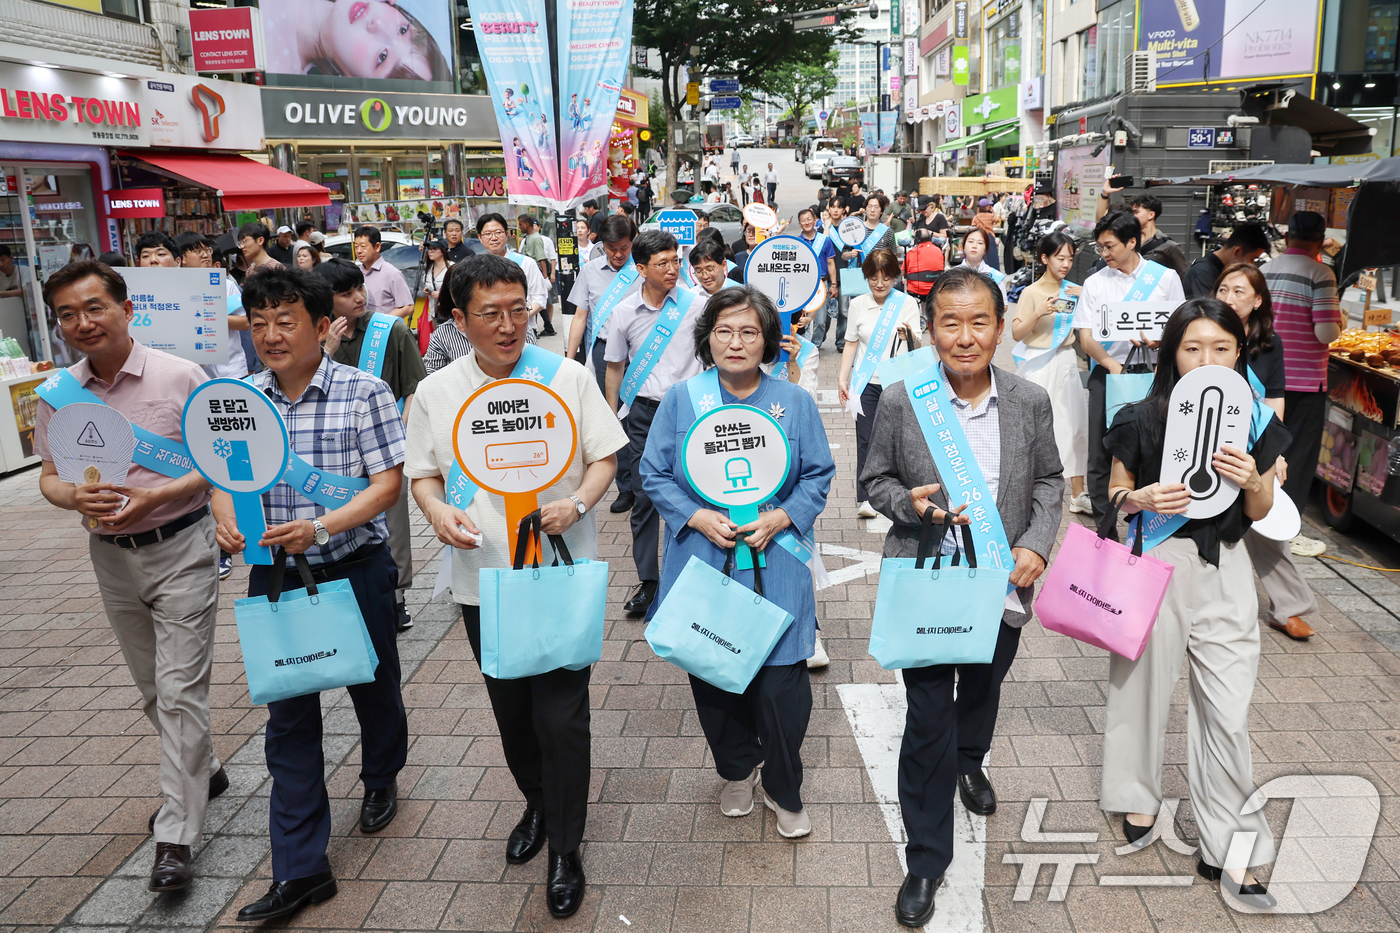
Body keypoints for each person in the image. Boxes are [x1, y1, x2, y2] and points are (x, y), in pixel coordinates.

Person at [405, 254, 626, 920]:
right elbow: (423, 475)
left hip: (556, 571)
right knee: (512, 714)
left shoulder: (566, 375)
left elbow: (604, 457)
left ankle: (565, 844)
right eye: (490, 314)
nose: (509, 326)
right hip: (485, 579)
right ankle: (536, 796)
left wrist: (581, 503)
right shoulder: (437, 392)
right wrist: (438, 512)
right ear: (458, 319)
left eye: (518, 309)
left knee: (562, 714)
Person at [861, 266, 1063, 928]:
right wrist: (908, 505)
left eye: (980, 322)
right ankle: (925, 858)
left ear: (1001, 328)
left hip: (1001, 583)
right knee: (926, 717)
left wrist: (1036, 543)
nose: (966, 336)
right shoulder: (900, 399)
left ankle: (970, 761)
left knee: (980, 689)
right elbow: (876, 480)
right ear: (931, 330)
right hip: (926, 581)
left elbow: (1051, 481)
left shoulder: (1030, 400)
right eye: (951, 322)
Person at [218, 266, 409, 923]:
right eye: (259, 321)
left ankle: (380, 775)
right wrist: (222, 511)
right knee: (289, 720)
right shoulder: (238, 398)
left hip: (354, 566)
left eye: (286, 320)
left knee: (374, 688)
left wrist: (322, 525)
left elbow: (386, 485)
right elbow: (220, 474)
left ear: (322, 326)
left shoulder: (363, 392)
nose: (270, 334)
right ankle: (302, 869)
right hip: (273, 576)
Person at [34, 261, 226, 893]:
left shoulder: (181, 376)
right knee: (151, 688)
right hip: (111, 558)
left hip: (182, 546)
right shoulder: (59, 393)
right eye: (67, 314)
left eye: (94, 308)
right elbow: (49, 477)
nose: (82, 323)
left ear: (125, 309)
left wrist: (159, 494)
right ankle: (206, 769)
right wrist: (72, 500)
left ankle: (175, 837)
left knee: (178, 692)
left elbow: (218, 460)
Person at [1102, 298, 1290, 910]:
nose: (1206, 360)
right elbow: (1114, 497)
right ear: (1171, 351)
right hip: (1155, 563)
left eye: (1222, 349)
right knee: (1141, 690)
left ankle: (1231, 842)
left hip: (1227, 566)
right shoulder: (1139, 416)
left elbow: (1261, 513)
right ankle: (1136, 792)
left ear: (1239, 354)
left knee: (1228, 714)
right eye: (1192, 347)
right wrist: (1142, 497)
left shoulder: (1256, 420)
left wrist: (1254, 481)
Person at [640, 285, 834, 838]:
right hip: (706, 557)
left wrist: (782, 516)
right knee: (715, 672)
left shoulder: (792, 402)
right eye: (723, 330)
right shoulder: (683, 399)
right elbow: (653, 472)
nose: (735, 342)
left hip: (776, 561)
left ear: (768, 340)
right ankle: (735, 768)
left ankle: (782, 782)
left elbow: (819, 473)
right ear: (707, 338)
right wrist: (695, 516)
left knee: (782, 687)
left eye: (749, 331)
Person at [316, 257, 426, 631]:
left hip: (383, 443)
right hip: (333, 449)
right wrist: (325, 352)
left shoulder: (389, 330)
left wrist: (399, 432)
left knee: (392, 520)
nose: (359, 297)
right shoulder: (316, 339)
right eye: (347, 293)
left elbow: (414, 387)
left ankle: (395, 597)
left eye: (360, 288)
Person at [603, 230, 705, 616]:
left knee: (695, 494)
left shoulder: (697, 306)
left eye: (676, 260)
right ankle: (649, 581)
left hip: (692, 412)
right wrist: (612, 421)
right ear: (641, 268)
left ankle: (695, 575)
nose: (673, 269)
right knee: (645, 499)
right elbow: (614, 370)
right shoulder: (623, 313)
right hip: (644, 415)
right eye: (662, 263)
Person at [1216, 262, 1317, 640]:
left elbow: (1274, 399)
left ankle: (1288, 607)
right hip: (1206, 439)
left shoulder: (1270, 344)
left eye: (1239, 291)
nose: (1229, 297)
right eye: (1223, 289)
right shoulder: (1203, 329)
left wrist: (1275, 453)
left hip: (1255, 442)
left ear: (1258, 300)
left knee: (1266, 526)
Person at [1075, 211, 1186, 520]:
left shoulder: (1165, 278)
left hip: (1155, 374)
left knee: (1153, 444)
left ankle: (1149, 519)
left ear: (1132, 242)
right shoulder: (1095, 282)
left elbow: (1180, 328)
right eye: (1100, 247)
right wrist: (1111, 364)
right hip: (1109, 373)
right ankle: (1105, 525)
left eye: (1109, 246)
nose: (1104, 253)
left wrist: (1159, 342)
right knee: (1101, 449)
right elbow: (1085, 335)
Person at [1262, 210, 1342, 557]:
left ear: (1288, 236)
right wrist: (1339, 322)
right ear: (1321, 240)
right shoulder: (1320, 273)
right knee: (1297, 457)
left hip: (1266, 378)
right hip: (1306, 381)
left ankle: (1259, 517)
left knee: (1267, 451)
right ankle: (1286, 531)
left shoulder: (1264, 270)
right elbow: (1326, 332)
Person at [838, 248, 922, 519]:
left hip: (898, 384)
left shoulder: (907, 303)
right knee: (866, 441)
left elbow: (918, 343)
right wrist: (843, 378)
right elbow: (851, 342)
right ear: (866, 277)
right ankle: (866, 498)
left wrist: (908, 333)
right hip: (866, 384)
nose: (880, 283)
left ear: (896, 277)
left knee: (901, 441)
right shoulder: (858, 304)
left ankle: (905, 493)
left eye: (886, 277)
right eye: (874, 277)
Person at [565, 214, 640, 513]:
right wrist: (570, 360)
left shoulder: (643, 270)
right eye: (612, 248)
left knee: (641, 416)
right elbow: (580, 317)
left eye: (624, 247)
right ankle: (626, 486)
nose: (618, 254)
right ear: (601, 244)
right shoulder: (590, 272)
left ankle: (648, 481)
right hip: (605, 353)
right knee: (613, 418)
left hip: (642, 352)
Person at [1011, 232, 1089, 512]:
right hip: (1037, 362)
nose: (1065, 264)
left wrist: (1090, 299)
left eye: (1070, 258)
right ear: (1045, 258)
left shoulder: (1076, 290)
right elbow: (1017, 333)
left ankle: (1078, 494)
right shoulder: (1031, 292)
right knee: (1034, 426)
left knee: (1074, 423)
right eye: (1060, 258)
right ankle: (1027, 490)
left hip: (1065, 360)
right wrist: (1038, 313)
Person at [262, 0, 451, 81]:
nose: (377, 24)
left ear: (350, 78)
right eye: (402, 30)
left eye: (382, 57)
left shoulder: (274, 72)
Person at [1094, 187, 1190, 279]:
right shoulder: (1125, 238)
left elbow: (1184, 276)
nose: (1131, 215)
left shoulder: (1169, 246)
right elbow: (1102, 223)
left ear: (1151, 215)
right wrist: (1105, 195)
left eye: (1136, 212)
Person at [475, 213, 549, 330]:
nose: (493, 238)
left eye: (498, 232)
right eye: (488, 234)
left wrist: (517, 318)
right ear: (480, 238)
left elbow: (539, 298)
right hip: (490, 333)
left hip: (523, 330)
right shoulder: (476, 267)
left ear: (507, 234)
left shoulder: (526, 263)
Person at [1183, 224, 1271, 298]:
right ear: (1237, 251)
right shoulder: (1203, 273)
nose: (1253, 264)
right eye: (1252, 259)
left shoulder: (1217, 270)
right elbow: (1207, 312)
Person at [795, 207, 838, 346]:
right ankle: (806, 347)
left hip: (822, 284)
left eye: (809, 219)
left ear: (815, 220)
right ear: (800, 223)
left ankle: (816, 345)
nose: (807, 222)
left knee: (820, 322)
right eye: (803, 220)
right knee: (803, 318)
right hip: (803, 285)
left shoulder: (824, 240)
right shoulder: (796, 243)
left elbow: (831, 263)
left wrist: (833, 284)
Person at [352, 225, 413, 320]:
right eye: (356, 247)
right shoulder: (357, 273)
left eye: (363, 246)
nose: (359, 251)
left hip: (385, 331)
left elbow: (408, 307)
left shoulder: (392, 274)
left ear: (377, 247)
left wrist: (381, 322)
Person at [517, 214, 556, 336]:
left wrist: (544, 276)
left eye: (520, 224)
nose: (519, 227)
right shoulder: (528, 238)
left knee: (539, 300)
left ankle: (545, 327)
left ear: (527, 224)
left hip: (536, 272)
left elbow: (541, 258)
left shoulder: (535, 238)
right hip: (530, 272)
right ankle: (547, 327)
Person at [421, 237, 453, 335]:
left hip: (449, 313)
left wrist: (442, 294)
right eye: (429, 249)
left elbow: (458, 290)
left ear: (443, 251)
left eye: (434, 249)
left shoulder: (452, 267)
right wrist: (427, 291)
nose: (430, 251)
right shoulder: (429, 268)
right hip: (434, 312)